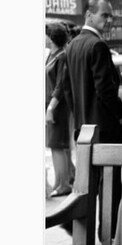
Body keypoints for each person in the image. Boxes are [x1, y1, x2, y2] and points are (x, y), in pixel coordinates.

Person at [62, 0, 122, 237]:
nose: (109, 20)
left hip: (84, 128)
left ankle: (77, 224)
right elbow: (105, 90)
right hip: (105, 128)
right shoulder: (97, 46)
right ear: (89, 15)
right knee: (110, 181)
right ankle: (107, 231)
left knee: (89, 180)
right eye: (105, 15)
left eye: (111, 16)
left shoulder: (73, 45)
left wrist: (80, 115)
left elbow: (67, 88)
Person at [44, 22, 75, 197]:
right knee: (57, 145)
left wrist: (50, 108)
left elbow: (60, 86)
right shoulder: (52, 55)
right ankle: (63, 180)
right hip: (52, 106)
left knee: (57, 145)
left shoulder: (62, 56)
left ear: (51, 37)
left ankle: (62, 184)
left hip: (58, 107)